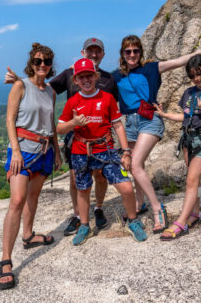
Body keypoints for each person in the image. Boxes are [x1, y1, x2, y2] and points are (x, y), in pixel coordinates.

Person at [5, 38, 118, 236]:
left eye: (97, 51)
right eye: (89, 51)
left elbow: (114, 108)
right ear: (83, 53)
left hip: (101, 140)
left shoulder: (109, 78)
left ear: (102, 54)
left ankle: (98, 208)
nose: (93, 54)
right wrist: (18, 82)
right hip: (76, 138)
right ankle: (77, 215)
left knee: (100, 176)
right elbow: (40, 88)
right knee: (75, 178)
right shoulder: (68, 74)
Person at [112, 35, 201, 233]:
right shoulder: (116, 76)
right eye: (128, 51)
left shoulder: (151, 68)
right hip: (129, 122)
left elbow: (180, 60)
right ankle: (139, 204)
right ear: (122, 54)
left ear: (140, 52)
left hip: (149, 120)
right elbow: (96, 86)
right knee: (136, 166)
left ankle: (157, 208)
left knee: (135, 164)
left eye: (135, 51)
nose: (132, 55)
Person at [57, 58, 147, 245]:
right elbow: (60, 128)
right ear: (76, 81)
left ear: (96, 76)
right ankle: (84, 225)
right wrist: (74, 123)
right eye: (81, 77)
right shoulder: (73, 101)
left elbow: (118, 125)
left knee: (126, 187)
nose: (86, 80)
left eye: (89, 75)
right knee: (82, 189)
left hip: (105, 149)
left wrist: (126, 152)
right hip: (81, 150)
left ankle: (133, 221)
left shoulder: (106, 98)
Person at [0, 43, 62, 291]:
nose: (42, 65)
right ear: (31, 64)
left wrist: (56, 149)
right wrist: (14, 151)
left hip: (44, 151)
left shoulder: (51, 93)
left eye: (46, 61)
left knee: (33, 196)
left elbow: (51, 123)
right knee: (16, 201)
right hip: (22, 151)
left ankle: (28, 235)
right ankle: (6, 261)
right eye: (38, 61)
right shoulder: (20, 86)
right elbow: (10, 119)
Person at [154, 54, 201, 240]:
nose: (197, 78)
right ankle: (195, 213)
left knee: (191, 180)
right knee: (195, 178)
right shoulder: (189, 93)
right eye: (193, 75)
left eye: (200, 74)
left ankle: (181, 222)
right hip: (187, 139)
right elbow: (185, 116)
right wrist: (164, 115)